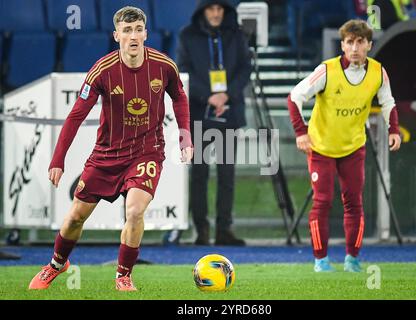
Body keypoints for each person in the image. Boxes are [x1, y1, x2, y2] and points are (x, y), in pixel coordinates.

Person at [28, 6, 193, 291]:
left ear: (145, 33)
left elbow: (179, 97)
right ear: (116, 35)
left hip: (147, 151)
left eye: (138, 29)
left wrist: (185, 136)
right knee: (75, 217)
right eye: (127, 31)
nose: (133, 36)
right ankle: (56, 264)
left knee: (135, 211)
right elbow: (76, 115)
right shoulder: (102, 71)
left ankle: (123, 275)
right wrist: (58, 159)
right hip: (107, 155)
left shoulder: (164, 65)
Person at [287, 20, 401, 272]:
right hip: (321, 147)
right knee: (323, 201)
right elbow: (295, 96)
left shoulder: (378, 72)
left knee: (354, 202)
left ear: (369, 45)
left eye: (360, 42)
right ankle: (321, 260)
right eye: (350, 42)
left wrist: (394, 129)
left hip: (353, 147)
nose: (355, 47)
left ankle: (352, 259)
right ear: (342, 45)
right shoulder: (327, 71)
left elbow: (388, 102)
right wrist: (300, 131)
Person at [166, 0, 251, 246]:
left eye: (220, 9)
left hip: (229, 112)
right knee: (199, 175)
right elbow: (182, 70)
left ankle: (224, 230)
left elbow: (245, 67)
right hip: (200, 115)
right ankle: (201, 230)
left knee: (227, 175)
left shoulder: (236, 34)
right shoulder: (187, 36)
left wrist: (228, 95)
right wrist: (209, 96)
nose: (215, 13)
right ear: (203, 11)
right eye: (211, 9)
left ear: (225, 11)